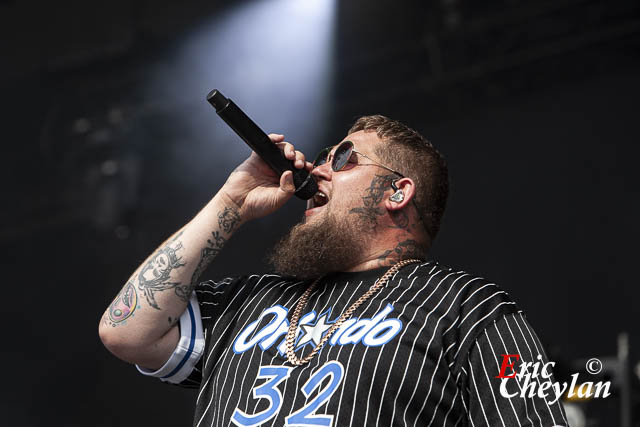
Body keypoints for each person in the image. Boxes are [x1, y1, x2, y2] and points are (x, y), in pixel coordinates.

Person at [99, 115, 567, 426]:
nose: (319, 170)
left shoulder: (467, 308)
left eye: (343, 159)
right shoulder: (251, 300)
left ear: (397, 192)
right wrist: (232, 202)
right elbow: (126, 331)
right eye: (324, 158)